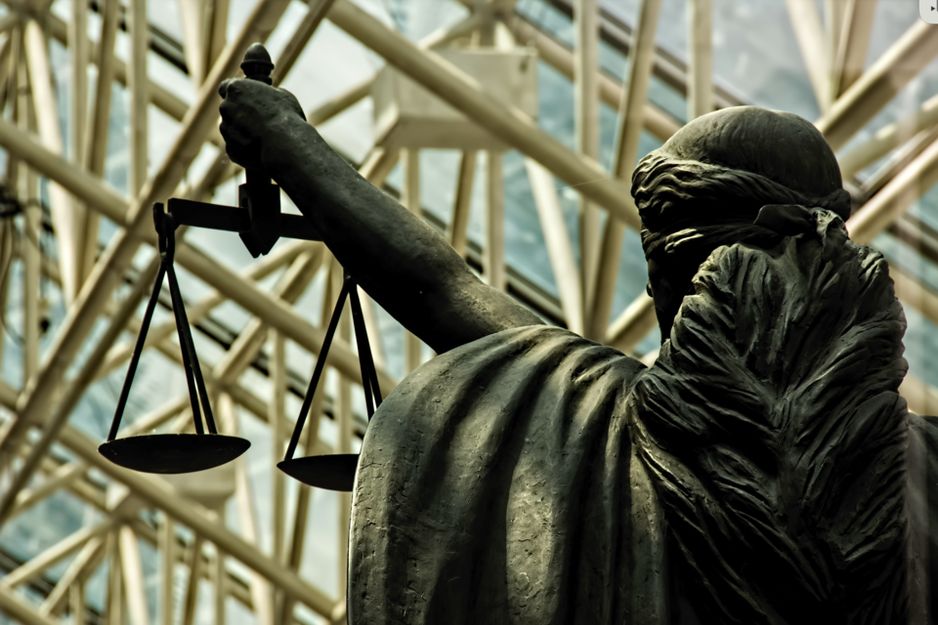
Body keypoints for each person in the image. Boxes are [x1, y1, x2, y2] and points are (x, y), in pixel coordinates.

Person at [219, 75, 934, 623]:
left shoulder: (601, 426)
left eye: (656, 270)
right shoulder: (927, 474)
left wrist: (286, 142)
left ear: (684, 283)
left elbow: (440, 287)